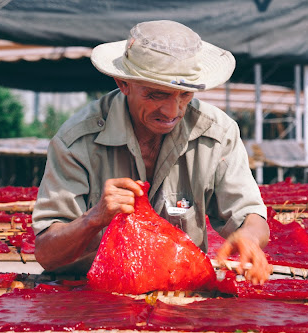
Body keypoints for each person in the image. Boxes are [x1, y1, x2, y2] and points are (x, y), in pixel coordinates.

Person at [33, 20, 270, 283]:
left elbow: (251, 216)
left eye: (184, 95)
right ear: (124, 84)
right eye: (157, 95)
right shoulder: (76, 140)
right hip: (89, 292)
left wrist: (249, 236)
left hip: (180, 291)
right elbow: (47, 254)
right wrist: (93, 219)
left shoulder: (218, 133)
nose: (172, 111)